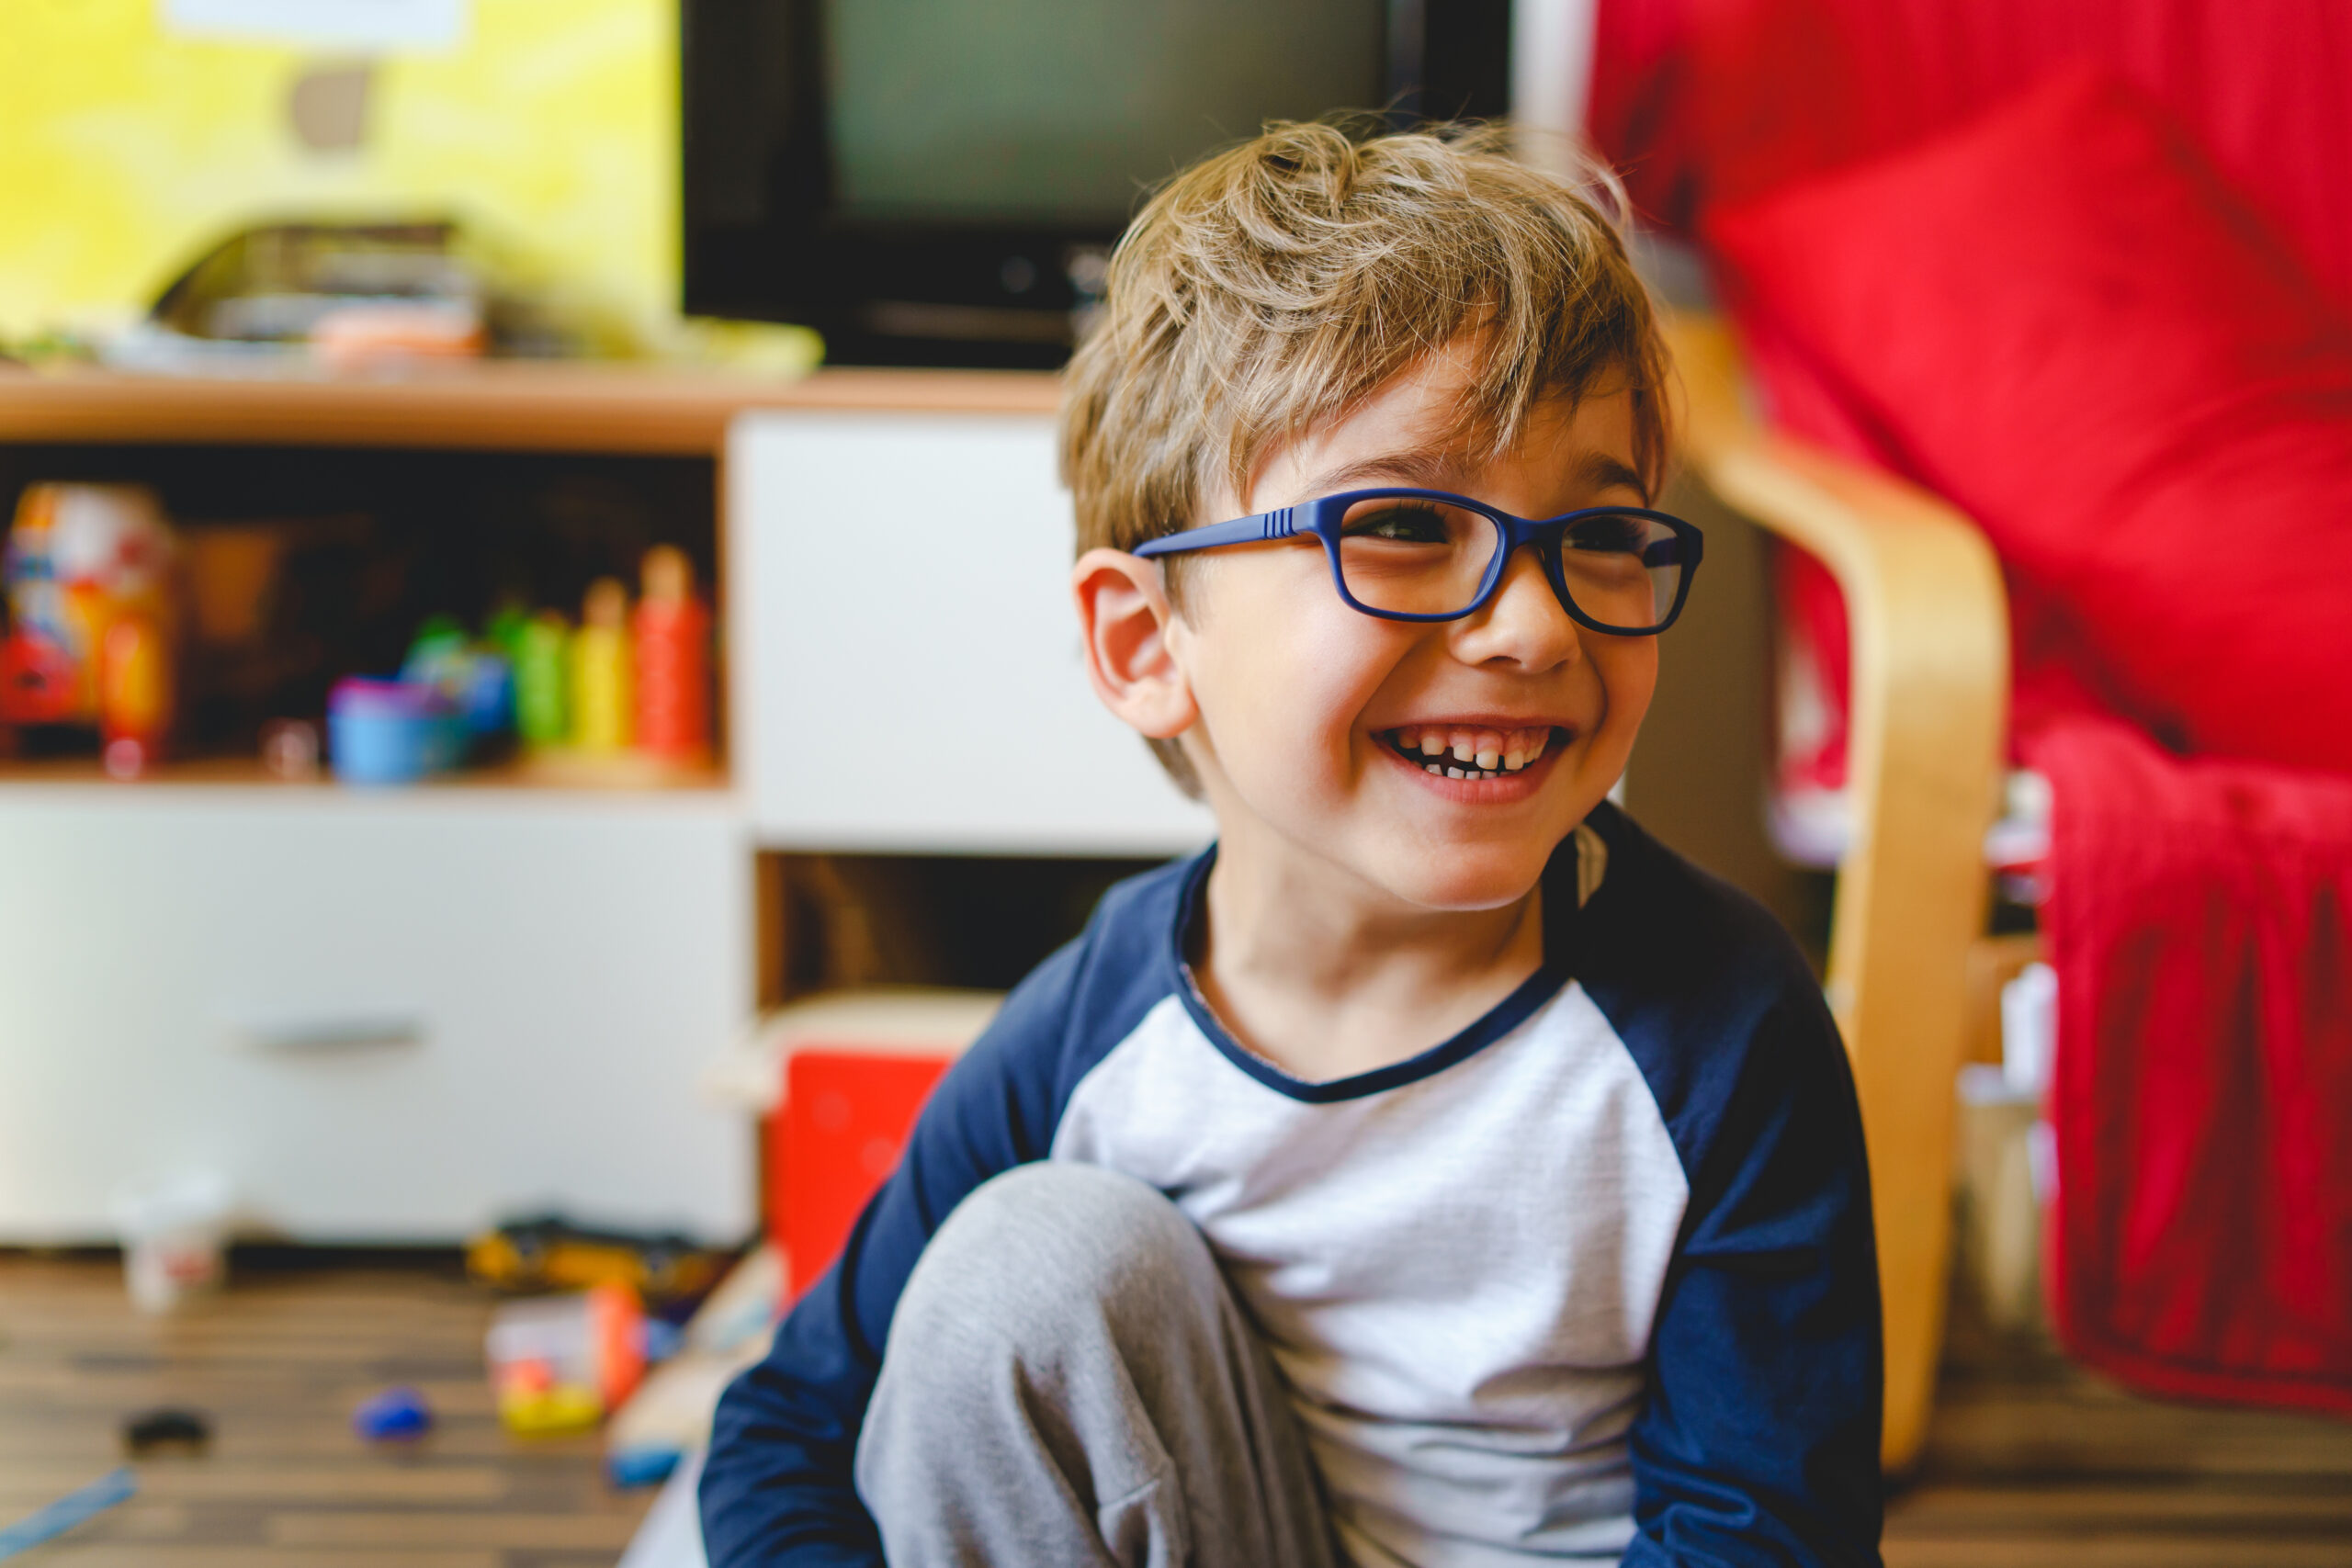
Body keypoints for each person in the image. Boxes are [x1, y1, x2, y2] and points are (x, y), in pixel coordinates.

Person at [701, 119, 1883, 1568]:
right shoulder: (1096, 1031)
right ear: (1148, 644)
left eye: (1602, 535)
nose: (1535, 626)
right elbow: (788, 1427)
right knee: (1027, 1272)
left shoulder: (1721, 1024)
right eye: (1404, 525)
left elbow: (1767, 1534)